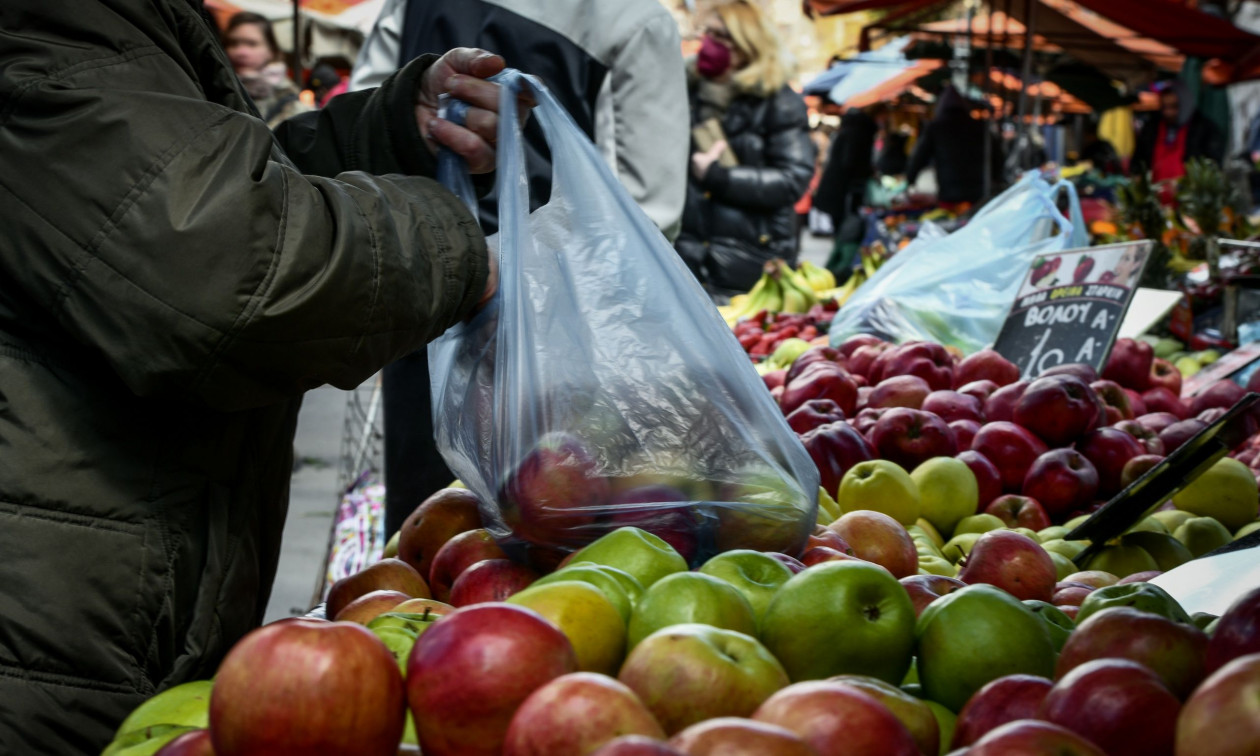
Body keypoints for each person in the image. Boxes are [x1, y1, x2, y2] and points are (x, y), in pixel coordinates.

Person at [0, 0, 511, 750]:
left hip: (90, 592)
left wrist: (395, 130)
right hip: (50, 623)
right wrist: (454, 246)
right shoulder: (56, 20)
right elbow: (221, 268)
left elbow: (193, 179)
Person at [348, 0, 690, 538]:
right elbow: (644, 213)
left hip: (424, 302)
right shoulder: (632, 18)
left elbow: (360, 133)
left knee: (432, 539)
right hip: (560, 340)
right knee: (553, 540)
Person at [674, 0, 816, 296]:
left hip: (751, 259)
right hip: (687, 256)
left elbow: (793, 180)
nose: (710, 43)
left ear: (748, 45)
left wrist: (720, 177)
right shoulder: (686, 91)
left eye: (722, 36)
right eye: (708, 33)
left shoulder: (778, 100)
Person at [813, 103, 885, 280]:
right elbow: (850, 162)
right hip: (844, 193)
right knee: (846, 234)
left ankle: (837, 271)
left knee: (842, 233)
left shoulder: (851, 127)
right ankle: (839, 272)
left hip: (837, 190)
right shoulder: (860, 132)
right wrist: (867, 171)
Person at [223, 12, 313, 128]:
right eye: (233, 43)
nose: (241, 52)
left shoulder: (289, 101)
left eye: (251, 44)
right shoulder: (211, 87)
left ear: (271, 51)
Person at [906, 86, 987, 206]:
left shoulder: (935, 127)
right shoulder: (979, 127)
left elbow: (919, 157)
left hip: (949, 193)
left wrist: (909, 180)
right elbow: (996, 156)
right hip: (979, 192)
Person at [1134, 79, 1225, 183]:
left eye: (1174, 106)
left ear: (1185, 103)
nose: (1168, 112)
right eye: (1164, 106)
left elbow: (1213, 166)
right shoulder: (1151, 127)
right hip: (1156, 194)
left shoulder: (1205, 129)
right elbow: (1138, 159)